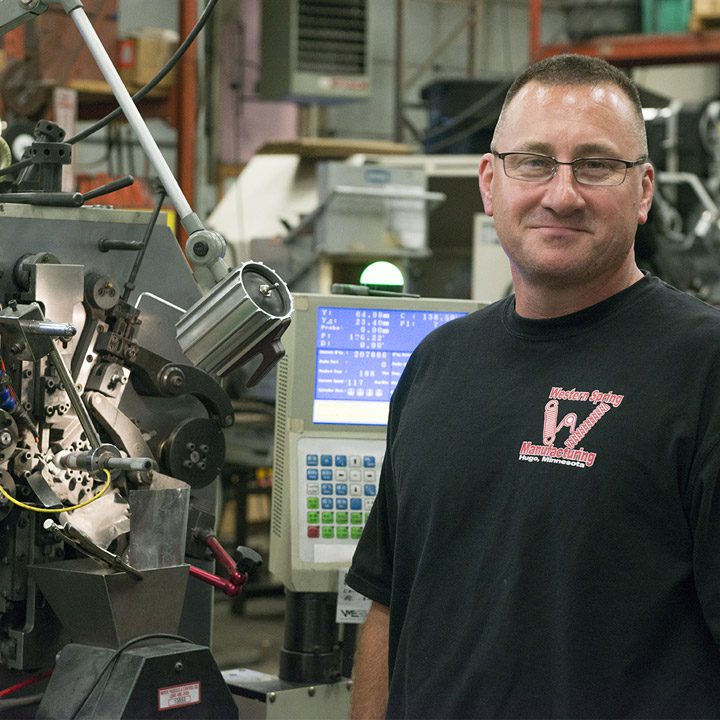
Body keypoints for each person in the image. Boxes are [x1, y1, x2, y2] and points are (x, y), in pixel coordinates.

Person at [345, 53, 720, 719]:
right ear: (491, 181)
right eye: (535, 161)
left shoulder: (702, 367)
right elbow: (389, 600)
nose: (562, 193)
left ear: (644, 189)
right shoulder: (436, 365)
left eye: (597, 164)